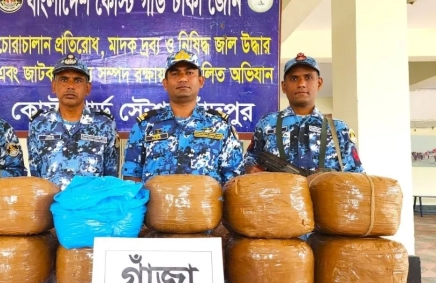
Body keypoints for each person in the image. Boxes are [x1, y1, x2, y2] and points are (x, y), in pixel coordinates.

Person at [122, 49, 244, 185]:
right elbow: (131, 178)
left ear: (201, 81)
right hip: (156, 200)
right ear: (165, 83)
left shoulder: (221, 125)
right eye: (175, 74)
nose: (183, 79)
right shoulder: (145, 126)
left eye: (189, 73)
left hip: (206, 199)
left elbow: (233, 179)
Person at [242, 52, 364, 174]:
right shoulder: (267, 124)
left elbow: (356, 174)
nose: (301, 84)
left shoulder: (338, 129)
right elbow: (249, 161)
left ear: (319, 83)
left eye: (308, 77)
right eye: (294, 78)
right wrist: (249, 169)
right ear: (284, 86)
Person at [27, 54, 119, 190]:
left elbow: (111, 178)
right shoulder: (38, 125)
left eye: (77, 80)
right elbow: (36, 177)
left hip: (91, 202)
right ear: (54, 86)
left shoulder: (105, 124)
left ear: (88, 88)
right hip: (52, 203)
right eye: (64, 79)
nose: (70, 86)